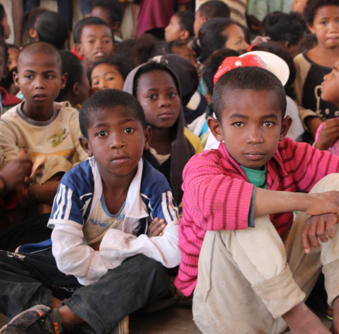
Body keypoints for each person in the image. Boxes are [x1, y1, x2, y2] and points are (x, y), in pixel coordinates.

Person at [176, 65, 339, 333]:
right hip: (227, 310)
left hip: (284, 297)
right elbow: (216, 202)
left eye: (267, 123)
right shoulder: (204, 165)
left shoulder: (287, 154)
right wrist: (310, 203)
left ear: (284, 126)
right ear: (217, 129)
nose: (254, 137)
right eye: (238, 124)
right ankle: (308, 326)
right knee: (237, 212)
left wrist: (335, 205)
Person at [0, 89, 180, 334]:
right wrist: (138, 242)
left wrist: (103, 247)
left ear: (146, 135)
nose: (117, 142)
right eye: (102, 133)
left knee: (152, 269)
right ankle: (69, 313)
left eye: (128, 130)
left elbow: (175, 248)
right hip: (67, 273)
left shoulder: (154, 184)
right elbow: (66, 256)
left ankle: (60, 320)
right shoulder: (76, 182)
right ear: (86, 145)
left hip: (118, 276)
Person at [0, 42, 87, 211]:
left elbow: (90, 167)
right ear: (16, 80)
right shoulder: (7, 126)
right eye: (29, 76)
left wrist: (40, 190)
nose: (39, 84)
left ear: (62, 81)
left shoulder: (71, 117)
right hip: (30, 209)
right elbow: (18, 181)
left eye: (48, 76)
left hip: (73, 204)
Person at [123, 56, 201, 205]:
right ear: (133, 102)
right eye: (152, 96)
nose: (164, 102)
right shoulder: (122, 147)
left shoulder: (191, 143)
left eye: (171, 94)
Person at [294, 0, 339, 140]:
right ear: (311, 27)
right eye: (324, 22)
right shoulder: (300, 63)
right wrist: (310, 120)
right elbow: (292, 102)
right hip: (311, 142)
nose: (333, 28)